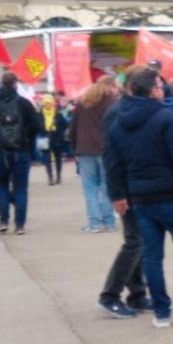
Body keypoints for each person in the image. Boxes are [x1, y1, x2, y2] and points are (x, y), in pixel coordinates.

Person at [104, 65, 173, 327]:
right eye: (158, 86)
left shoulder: (118, 120)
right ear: (153, 91)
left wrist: (119, 192)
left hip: (142, 198)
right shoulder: (165, 118)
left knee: (153, 257)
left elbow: (113, 162)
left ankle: (161, 312)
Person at [96, 74, 150, 318]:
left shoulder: (131, 111)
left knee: (141, 240)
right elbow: (112, 157)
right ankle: (110, 295)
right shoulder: (118, 113)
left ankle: (137, 293)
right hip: (126, 186)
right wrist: (117, 193)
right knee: (134, 241)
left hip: (138, 184)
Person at [0, 74, 42, 233]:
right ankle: (20, 225)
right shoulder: (24, 103)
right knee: (20, 188)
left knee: (2, 186)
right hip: (21, 150)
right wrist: (27, 140)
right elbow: (36, 125)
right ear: (15, 84)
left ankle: (4, 221)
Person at [66, 78, 119, 231]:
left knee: (90, 187)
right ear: (108, 87)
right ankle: (109, 222)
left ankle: (94, 223)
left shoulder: (82, 103)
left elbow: (73, 128)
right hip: (106, 149)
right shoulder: (112, 103)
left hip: (85, 149)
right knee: (106, 186)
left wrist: (74, 147)